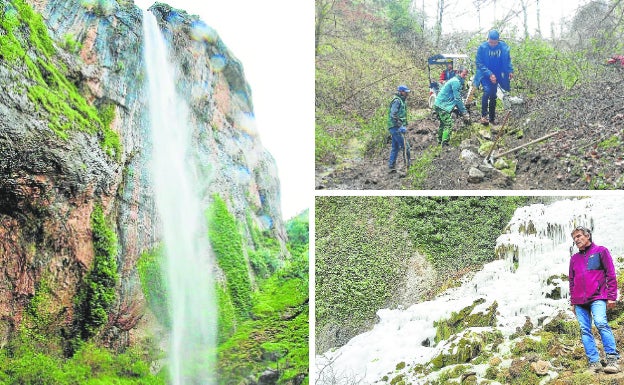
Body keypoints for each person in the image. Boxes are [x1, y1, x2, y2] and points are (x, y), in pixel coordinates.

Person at [569, 226, 620, 374]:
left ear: (587, 236)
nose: (576, 240)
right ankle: (594, 363)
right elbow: (572, 281)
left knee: (601, 323)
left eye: (579, 236)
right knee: (585, 330)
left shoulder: (601, 251)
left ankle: (612, 360)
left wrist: (612, 297)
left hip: (598, 297)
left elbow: (610, 274)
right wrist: (573, 302)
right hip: (579, 301)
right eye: (574, 238)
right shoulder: (574, 259)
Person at [474, 29, 514, 125]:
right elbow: (479, 63)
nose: (492, 44)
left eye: (494, 43)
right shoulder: (482, 47)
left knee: (493, 95)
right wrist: (489, 74)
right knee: (487, 91)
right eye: (490, 42)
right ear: (488, 39)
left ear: (498, 41)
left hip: (497, 75)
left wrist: (510, 70)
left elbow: (508, 60)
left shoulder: (503, 47)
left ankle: (491, 119)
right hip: (484, 74)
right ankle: (483, 116)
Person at [433, 66, 470, 146]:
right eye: (464, 75)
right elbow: (457, 98)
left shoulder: (457, 81)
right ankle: (444, 143)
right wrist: (464, 111)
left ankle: (439, 141)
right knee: (448, 124)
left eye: (466, 75)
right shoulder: (456, 82)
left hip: (439, 104)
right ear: (459, 73)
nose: (465, 76)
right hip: (443, 105)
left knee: (443, 123)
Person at [387, 85, 410, 172]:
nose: (407, 94)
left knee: (395, 147)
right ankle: (407, 166)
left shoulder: (401, 100)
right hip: (395, 127)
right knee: (406, 147)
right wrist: (400, 125)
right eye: (406, 92)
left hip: (395, 127)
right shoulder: (397, 101)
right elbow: (393, 114)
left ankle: (391, 166)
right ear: (401, 92)